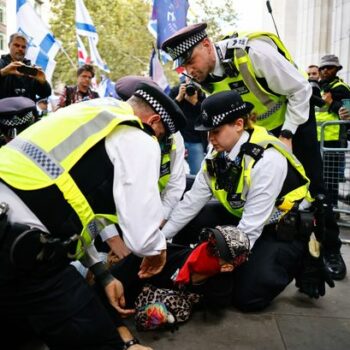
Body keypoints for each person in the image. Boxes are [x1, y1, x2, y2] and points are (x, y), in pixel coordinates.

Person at [0, 82, 186, 350]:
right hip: (22, 251)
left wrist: (103, 273)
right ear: (154, 120)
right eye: (160, 134)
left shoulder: (93, 112)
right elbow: (141, 237)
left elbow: (71, 210)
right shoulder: (139, 136)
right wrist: (158, 252)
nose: (158, 140)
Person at [161, 23, 347, 281]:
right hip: (257, 129)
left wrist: (287, 134)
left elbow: (301, 90)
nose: (189, 71)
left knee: (315, 189)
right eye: (183, 67)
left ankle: (330, 251)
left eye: (191, 60)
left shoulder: (253, 53)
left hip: (295, 120)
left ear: (206, 45)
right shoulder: (204, 80)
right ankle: (268, 240)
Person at [160, 90, 335, 310]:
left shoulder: (267, 160)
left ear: (239, 124)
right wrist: (157, 243)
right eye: (207, 133)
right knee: (191, 223)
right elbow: (190, 203)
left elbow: (249, 230)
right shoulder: (216, 154)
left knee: (248, 299)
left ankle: (298, 259)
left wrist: (211, 266)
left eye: (215, 131)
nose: (210, 139)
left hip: (281, 228)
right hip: (246, 217)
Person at [110, 225, 250, 312]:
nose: (205, 248)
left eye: (215, 250)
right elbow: (109, 283)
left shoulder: (219, 292)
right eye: (208, 241)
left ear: (226, 267)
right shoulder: (158, 257)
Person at [115, 76, 187, 225]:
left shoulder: (173, 137)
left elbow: (175, 184)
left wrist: (161, 218)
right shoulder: (116, 132)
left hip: (154, 207)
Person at [316, 56, 350, 215]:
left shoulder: (341, 88)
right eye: (322, 68)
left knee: (330, 177)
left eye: (329, 67)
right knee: (319, 175)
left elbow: (347, 113)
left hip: (333, 139)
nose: (325, 70)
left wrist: (331, 103)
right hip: (318, 139)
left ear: (337, 69)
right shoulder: (320, 87)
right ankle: (323, 207)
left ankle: (332, 208)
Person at [169, 77, 207, 174]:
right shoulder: (176, 90)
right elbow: (167, 113)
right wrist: (179, 98)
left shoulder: (203, 92)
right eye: (189, 78)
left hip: (196, 140)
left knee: (198, 173)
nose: (191, 82)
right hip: (176, 139)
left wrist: (195, 102)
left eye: (194, 80)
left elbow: (207, 116)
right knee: (173, 173)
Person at [0, 33, 51, 101]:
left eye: (23, 47)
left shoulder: (31, 70)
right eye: (17, 45)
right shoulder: (1, 64)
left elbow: (45, 94)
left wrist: (43, 82)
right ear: (9, 45)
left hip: (29, 111)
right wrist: (3, 72)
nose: (20, 49)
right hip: (6, 111)